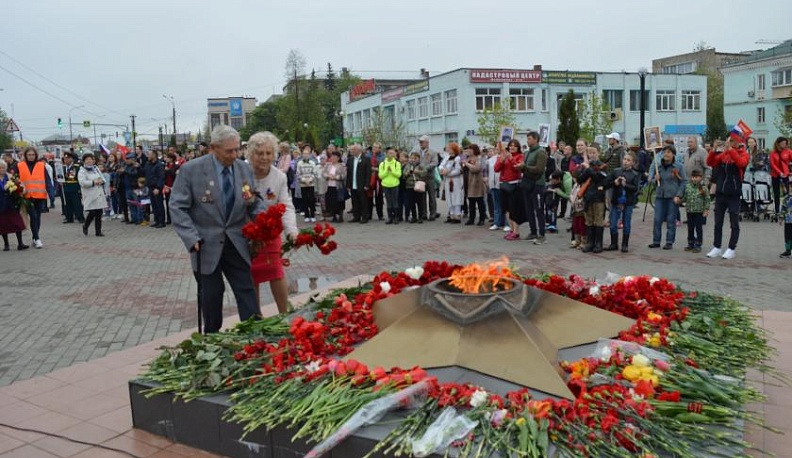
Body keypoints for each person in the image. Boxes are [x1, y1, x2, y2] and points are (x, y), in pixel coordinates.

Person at [170, 125, 266, 333]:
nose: (235, 155)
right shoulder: (191, 170)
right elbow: (177, 206)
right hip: (205, 245)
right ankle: (212, 338)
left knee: (246, 289)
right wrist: (190, 237)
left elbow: (253, 200)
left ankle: (255, 334)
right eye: (229, 151)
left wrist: (264, 221)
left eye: (237, 149)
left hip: (236, 242)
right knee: (212, 295)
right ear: (213, 148)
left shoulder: (243, 168)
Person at [247, 131, 299, 314]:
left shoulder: (279, 177)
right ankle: (255, 317)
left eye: (268, 153)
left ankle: (284, 314)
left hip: (270, 233)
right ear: (250, 154)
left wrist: (292, 232)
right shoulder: (241, 173)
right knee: (250, 276)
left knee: (276, 272)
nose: (264, 157)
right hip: (247, 234)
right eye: (259, 153)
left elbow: (286, 206)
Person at [705, 137, 749, 259]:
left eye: (732, 141)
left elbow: (741, 163)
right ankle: (717, 247)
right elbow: (710, 163)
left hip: (734, 194)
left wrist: (730, 150)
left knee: (734, 222)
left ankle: (731, 248)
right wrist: (713, 150)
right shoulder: (724, 154)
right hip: (721, 193)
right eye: (729, 140)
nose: (729, 143)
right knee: (718, 222)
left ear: (738, 142)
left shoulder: (743, 153)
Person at [648, 146, 687, 250]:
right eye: (664, 152)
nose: (666, 154)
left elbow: (684, 182)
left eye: (669, 152)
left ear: (673, 154)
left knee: (670, 220)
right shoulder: (658, 166)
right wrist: (655, 179)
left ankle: (669, 242)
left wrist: (679, 195)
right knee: (657, 219)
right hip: (660, 196)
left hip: (672, 197)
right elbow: (652, 181)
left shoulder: (679, 166)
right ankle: (656, 241)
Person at [604, 152, 641, 252]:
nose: (625, 162)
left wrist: (625, 185)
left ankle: (625, 244)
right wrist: (614, 183)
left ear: (633, 163)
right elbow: (606, 184)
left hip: (628, 202)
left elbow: (635, 189)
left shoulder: (635, 174)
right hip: (616, 201)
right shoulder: (616, 171)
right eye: (625, 159)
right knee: (613, 222)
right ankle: (613, 243)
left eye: (628, 160)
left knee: (626, 222)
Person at [16, 147, 52, 249]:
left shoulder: (41, 165)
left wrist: (51, 193)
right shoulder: (20, 165)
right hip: (26, 196)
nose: (31, 157)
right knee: (34, 216)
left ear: (36, 155)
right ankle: (37, 239)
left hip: (40, 195)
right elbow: (14, 178)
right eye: (29, 155)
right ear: (26, 156)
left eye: (33, 155)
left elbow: (47, 180)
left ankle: (34, 237)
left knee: (37, 218)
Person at [577, 146, 609, 253]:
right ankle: (590, 242)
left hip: (598, 197)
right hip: (588, 196)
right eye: (589, 153)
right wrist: (584, 169)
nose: (592, 155)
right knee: (589, 220)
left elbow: (599, 179)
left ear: (598, 153)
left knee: (598, 220)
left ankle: (598, 243)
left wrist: (589, 169)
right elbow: (580, 179)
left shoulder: (602, 165)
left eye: (594, 152)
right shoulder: (587, 166)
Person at [520, 131, 548, 244]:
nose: (528, 141)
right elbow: (525, 168)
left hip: (537, 184)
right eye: (527, 139)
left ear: (536, 139)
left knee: (539, 210)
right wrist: (521, 167)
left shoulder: (541, 152)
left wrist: (525, 167)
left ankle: (542, 234)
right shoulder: (526, 153)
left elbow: (539, 169)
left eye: (530, 139)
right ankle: (533, 232)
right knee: (529, 209)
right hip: (527, 183)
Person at [494, 139, 525, 240]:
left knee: (514, 209)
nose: (512, 147)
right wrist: (502, 160)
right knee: (506, 209)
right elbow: (496, 169)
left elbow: (517, 168)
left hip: (514, 185)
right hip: (503, 185)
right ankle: (511, 230)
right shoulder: (504, 155)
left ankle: (516, 232)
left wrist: (511, 159)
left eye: (514, 146)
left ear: (518, 147)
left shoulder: (520, 156)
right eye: (511, 146)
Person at [0, 161, 28, 251]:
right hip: (1, 205)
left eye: (3, 168)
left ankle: (20, 243)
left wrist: (18, 189)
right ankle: (6, 244)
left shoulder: (10, 177)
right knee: (3, 225)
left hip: (12, 204)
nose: (2, 170)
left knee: (17, 224)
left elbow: (20, 186)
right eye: (0, 168)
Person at [77, 153, 107, 237]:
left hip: (98, 193)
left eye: (91, 159)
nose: (89, 161)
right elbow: (82, 183)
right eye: (87, 159)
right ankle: (85, 226)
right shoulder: (82, 170)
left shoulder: (96, 168)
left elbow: (103, 178)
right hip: (89, 194)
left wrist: (101, 181)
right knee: (92, 212)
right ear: (84, 161)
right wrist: (93, 182)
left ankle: (98, 231)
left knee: (99, 212)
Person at [681, 170, 710, 253]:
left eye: (697, 177)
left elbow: (707, 199)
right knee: (690, 228)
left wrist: (706, 209)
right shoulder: (688, 186)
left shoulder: (703, 188)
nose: (694, 179)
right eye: (693, 177)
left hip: (699, 211)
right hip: (690, 211)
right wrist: (680, 200)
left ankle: (698, 244)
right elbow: (685, 196)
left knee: (698, 228)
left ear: (700, 178)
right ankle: (690, 243)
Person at [345, 144, 371, 223]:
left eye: (353, 149)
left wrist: (367, 184)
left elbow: (368, 173)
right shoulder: (350, 159)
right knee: (354, 201)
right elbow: (349, 173)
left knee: (363, 201)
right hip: (353, 184)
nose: (351, 151)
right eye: (351, 149)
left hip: (362, 184)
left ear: (359, 150)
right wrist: (348, 184)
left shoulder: (366, 159)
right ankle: (356, 216)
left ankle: (364, 217)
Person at [415, 135, 439, 221]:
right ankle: (423, 213)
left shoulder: (433, 152)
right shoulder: (417, 151)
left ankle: (433, 213)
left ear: (427, 142)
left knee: (432, 196)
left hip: (429, 177)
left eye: (422, 142)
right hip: (420, 178)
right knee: (422, 196)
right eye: (419, 142)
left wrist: (425, 167)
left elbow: (435, 163)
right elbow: (413, 160)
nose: (420, 143)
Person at [463, 144, 487, 226]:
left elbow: (476, 169)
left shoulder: (479, 158)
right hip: (468, 182)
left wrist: (467, 164)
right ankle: (471, 218)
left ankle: (482, 219)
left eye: (470, 149)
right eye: (468, 149)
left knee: (479, 201)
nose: (468, 151)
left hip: (476, 182)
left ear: (475, 150)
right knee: (471, 202)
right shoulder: (467, 158)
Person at [439, 143, 464, 223]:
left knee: (456, 197)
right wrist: (443, 170)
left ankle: (457, 216)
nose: (448, 149)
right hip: (447, 180)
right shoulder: (446, 157)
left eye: (449, 148)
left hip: (455, 181)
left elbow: (458, 170)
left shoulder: (458, 158)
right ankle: (451, 215)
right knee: (449, 197)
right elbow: (441, 165)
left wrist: (448, 173)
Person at [378, 147, 402, 225]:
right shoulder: (382, 164)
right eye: (389, 153)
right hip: (385, 185)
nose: (391, 155)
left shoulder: (397, 163)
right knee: (388, 202)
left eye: (393, 153)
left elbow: (398, 175)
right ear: (386, 154)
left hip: (395, 184)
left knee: (395, 201)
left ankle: (396, 217)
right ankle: (390, 218)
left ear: (395, 154)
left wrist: (392, 171)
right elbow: (381, 176)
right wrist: (386, 171)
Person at [296, 145, 319, 222]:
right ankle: (306, 215)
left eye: (307, 154)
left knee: (311, 199)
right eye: (304, 154)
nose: (305, 155)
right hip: (303, 184)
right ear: (302, 155)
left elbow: (315, 173)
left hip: (311, 184)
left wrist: (310, 179)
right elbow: (298, 174)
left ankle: (312, 215)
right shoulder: (299, 163)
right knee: (305, 199)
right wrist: (303, 180)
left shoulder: (312, 163)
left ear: (309, 155)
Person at [143, 150, 166, 228]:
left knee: (159, 205)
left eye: (149, 154)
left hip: (156, 188)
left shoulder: (159, 165)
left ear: (154, 155)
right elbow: (145, 173)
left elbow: (161, 177)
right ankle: (157, 220)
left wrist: (158, 187)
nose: (148, 156)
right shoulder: (147, 164)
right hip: (150, 187)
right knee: (154, 205)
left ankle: (162, 221)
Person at [545, 170, 573, 234]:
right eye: (551, 180)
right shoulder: (555, 176)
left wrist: (558, 192)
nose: (552, 182)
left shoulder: (567, 182)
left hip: (573, 194)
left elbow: (569, 196)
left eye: (553, 181)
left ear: (559, 179)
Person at [322, 151, 346, 223]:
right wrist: (328, 176)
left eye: (335, 157)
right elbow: (323, 173)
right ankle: (334, 216)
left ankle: (340, 216)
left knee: (339, 201)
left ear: (338, 158)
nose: (333, 158)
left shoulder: (342, 166)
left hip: (338, 186)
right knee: (331, 202)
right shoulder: (328, 165)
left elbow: (344, 175)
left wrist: (336, 177)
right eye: (332, 156)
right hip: (329, 186)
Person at [403, 152, 427, 224]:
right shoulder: (408, 165)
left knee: (420, 202)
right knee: (411, 202)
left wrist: (417, 172)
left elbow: (425, 173)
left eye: (415, 158)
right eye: (412, 158)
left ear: (418, 159)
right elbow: (404, 174)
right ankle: (414, 217)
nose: (413, 160)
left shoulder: (421, 165)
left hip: (418, 185)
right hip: (410, 186)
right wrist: (408, 173)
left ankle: (420, 217)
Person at [61, 151, 84, 224]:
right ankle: (69, 218)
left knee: (77, 203)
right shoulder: (63, 167)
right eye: (65, 159)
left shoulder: (76, 166)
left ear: (72, 159)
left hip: (74, 187)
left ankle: (80, 217)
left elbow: (71, 176)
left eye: (68, 158)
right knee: (68, 204)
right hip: (65, 187)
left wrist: (64, 178)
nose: (66, 160)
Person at [769, 137, 791, 215]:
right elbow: (772, 164)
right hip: (775, 175)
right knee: (776, 193)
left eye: (785, 143)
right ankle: (777, 210)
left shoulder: (788, 151)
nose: (784, 145)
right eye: (782, 143)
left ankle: (786, 209)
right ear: (778, 144)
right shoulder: (773, 153)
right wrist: (779, 172)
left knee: (786, 193)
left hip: (785, 175)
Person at [486, 148, 504, 230]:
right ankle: (497, 222)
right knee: (496, 205)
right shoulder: (490, 160)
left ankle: (505, 223)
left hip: (502, 184)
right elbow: (488, 170)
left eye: (498, 149)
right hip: (493, 184)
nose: (497, 151)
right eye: (496, 149)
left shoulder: (504, 158)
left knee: (503, 205)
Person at [780, 191, 792, 258]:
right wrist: (781, 218)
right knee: (787, 236)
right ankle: (788, 251)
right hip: (788, 220)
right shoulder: (786, 198)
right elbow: (783, 208)